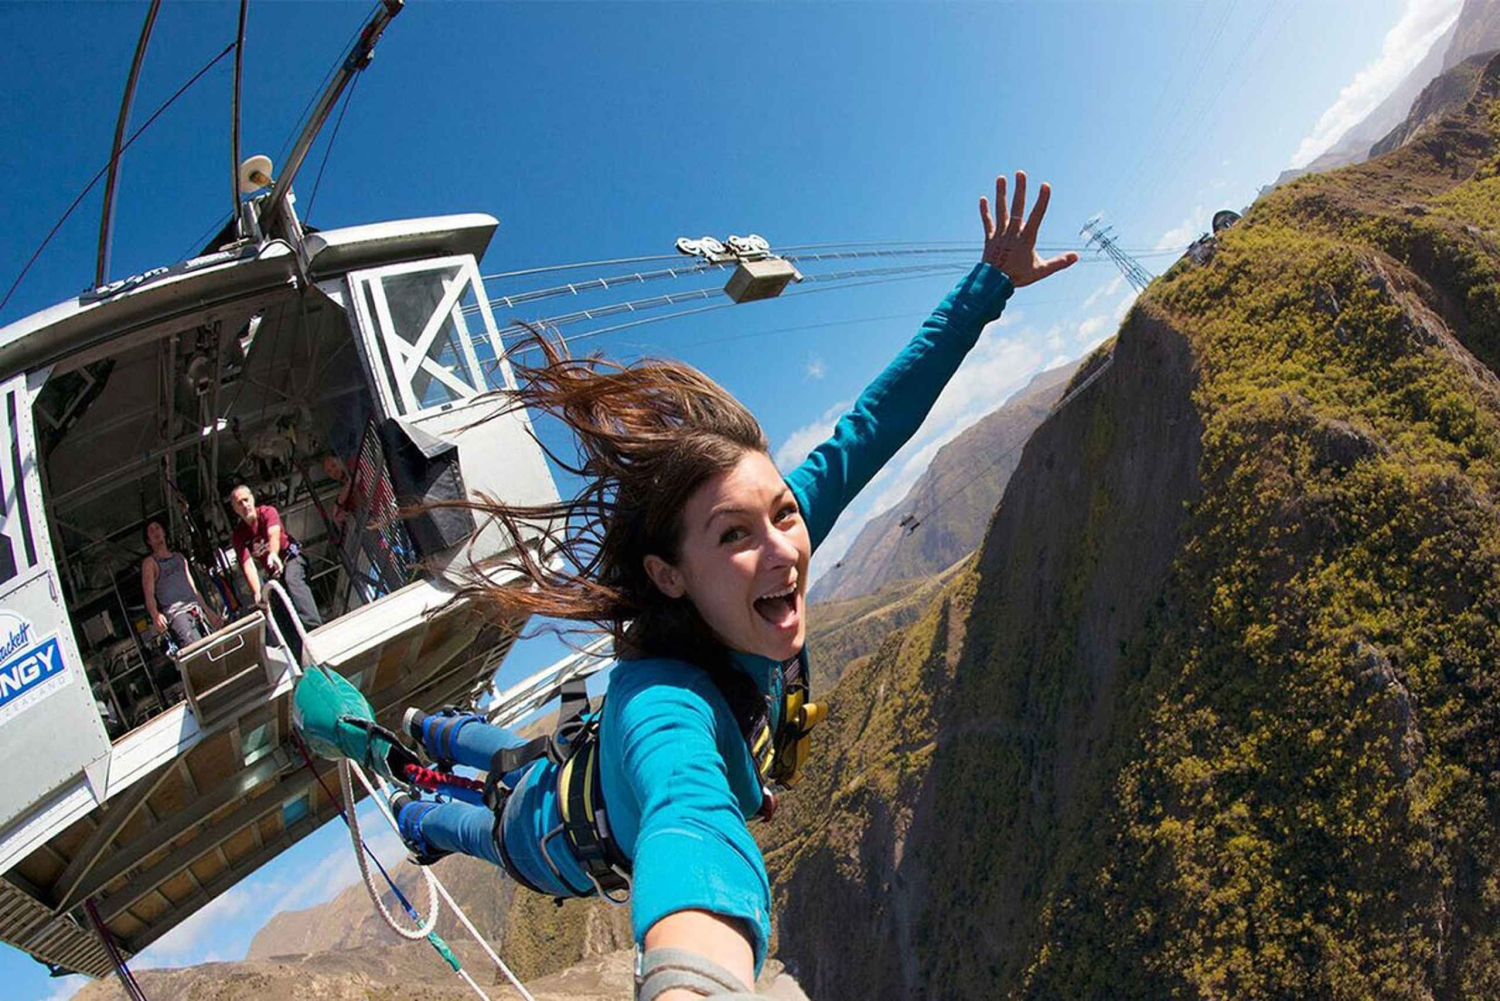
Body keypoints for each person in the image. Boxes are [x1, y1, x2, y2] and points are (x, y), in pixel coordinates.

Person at [388, 172, 1076, 999]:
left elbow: (875, 421)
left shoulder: (773, 540)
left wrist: (988, 283)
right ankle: (417, 811)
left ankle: (436, 729)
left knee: (511, 753)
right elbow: (687, 813)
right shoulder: (663, 704)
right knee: (484, 821)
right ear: (667, 574)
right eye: (734, 535)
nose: (784, 548)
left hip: (573, 761)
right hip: (556, 837)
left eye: (783, 513)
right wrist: (693, 979)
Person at [229, 484, 324, 660]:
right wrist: (257, 591)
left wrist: (273, 553)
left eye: (246, 500)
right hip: (275, 574)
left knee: (292, 580)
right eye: (239, 503)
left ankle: (315, 630)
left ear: (252, 499)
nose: (244, 505)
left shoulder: (267, 512)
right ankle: (297, 652)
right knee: (275, 606)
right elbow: (247, 563)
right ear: (235, 509)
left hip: (291, 559)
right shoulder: (239, 535)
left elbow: (274, 533)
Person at [140, 519, 222, 651]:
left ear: (164, 531)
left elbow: (193, 589)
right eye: (151, 531)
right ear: (148, 541)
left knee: (215, 647)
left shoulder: (179, 558)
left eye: (157, 528)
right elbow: (149, 595)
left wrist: (208, 610)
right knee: (196, 650)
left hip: (196, 610)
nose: (155, 532)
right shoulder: (150, 563)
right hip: (177, 614)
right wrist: (155, 615)